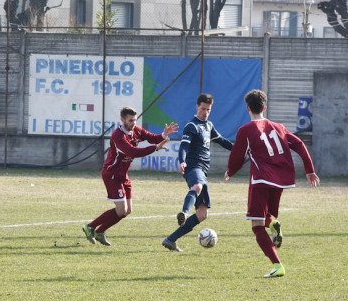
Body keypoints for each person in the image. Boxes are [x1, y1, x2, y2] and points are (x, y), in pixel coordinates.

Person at [225, 89, 320, 278]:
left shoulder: (245, 130)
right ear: (265, 107)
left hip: (261, 179)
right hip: (280, 180)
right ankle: (274, 223)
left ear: (248, 108)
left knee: (257, 226)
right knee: (267, 215)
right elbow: (300, 144)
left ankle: (277, 265)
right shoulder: (279, 127)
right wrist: (309, 170)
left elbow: (237, 155)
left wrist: (230, 171)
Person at [82, 106, 178, 246]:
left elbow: (152, 138)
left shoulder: (137, 130)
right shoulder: (118, 135)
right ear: (122, 120)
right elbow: (133, 152)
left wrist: (163, 135)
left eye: (135, 119)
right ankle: (90, 227)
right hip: (112, 174)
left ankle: (100, 231)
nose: (134, 123)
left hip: (123, 175)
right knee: (121, 210)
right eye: (131, 120)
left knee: (127, 211)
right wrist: (155, 148)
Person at [162, 93, 234, 252]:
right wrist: (182, 161)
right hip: (193, 167)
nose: (205, 112)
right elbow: (184, 146)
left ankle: (171, 240)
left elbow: (222, 141)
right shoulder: (191, 126)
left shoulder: (208, 125)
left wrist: (239, 151)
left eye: (208, 110)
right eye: (202, 109)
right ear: (197, 107)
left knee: (202, 214)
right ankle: (184, 212)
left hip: (203, 171)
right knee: (197, 186)